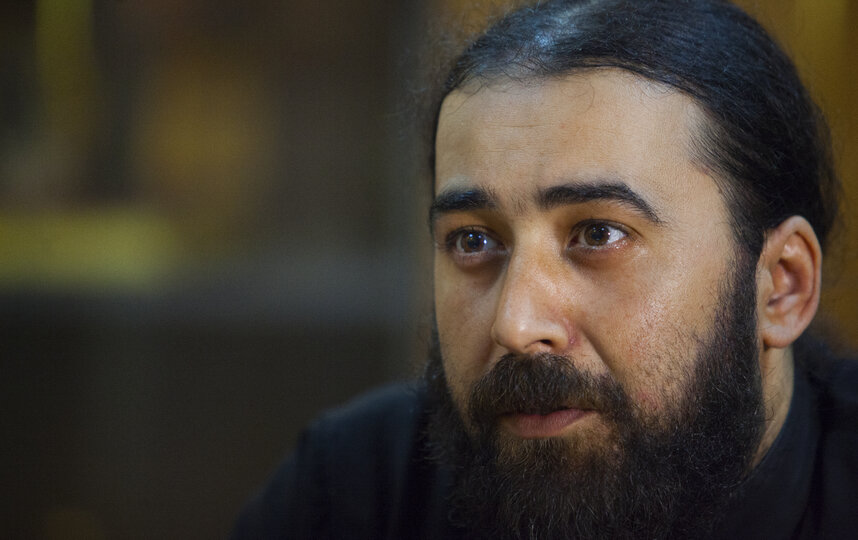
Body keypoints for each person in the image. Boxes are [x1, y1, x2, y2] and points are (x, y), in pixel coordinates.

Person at [232, 0, 858, 538]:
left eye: (599, 234)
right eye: (473, 240)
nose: (516, 324)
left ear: (782, 286)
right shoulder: (353, 491)